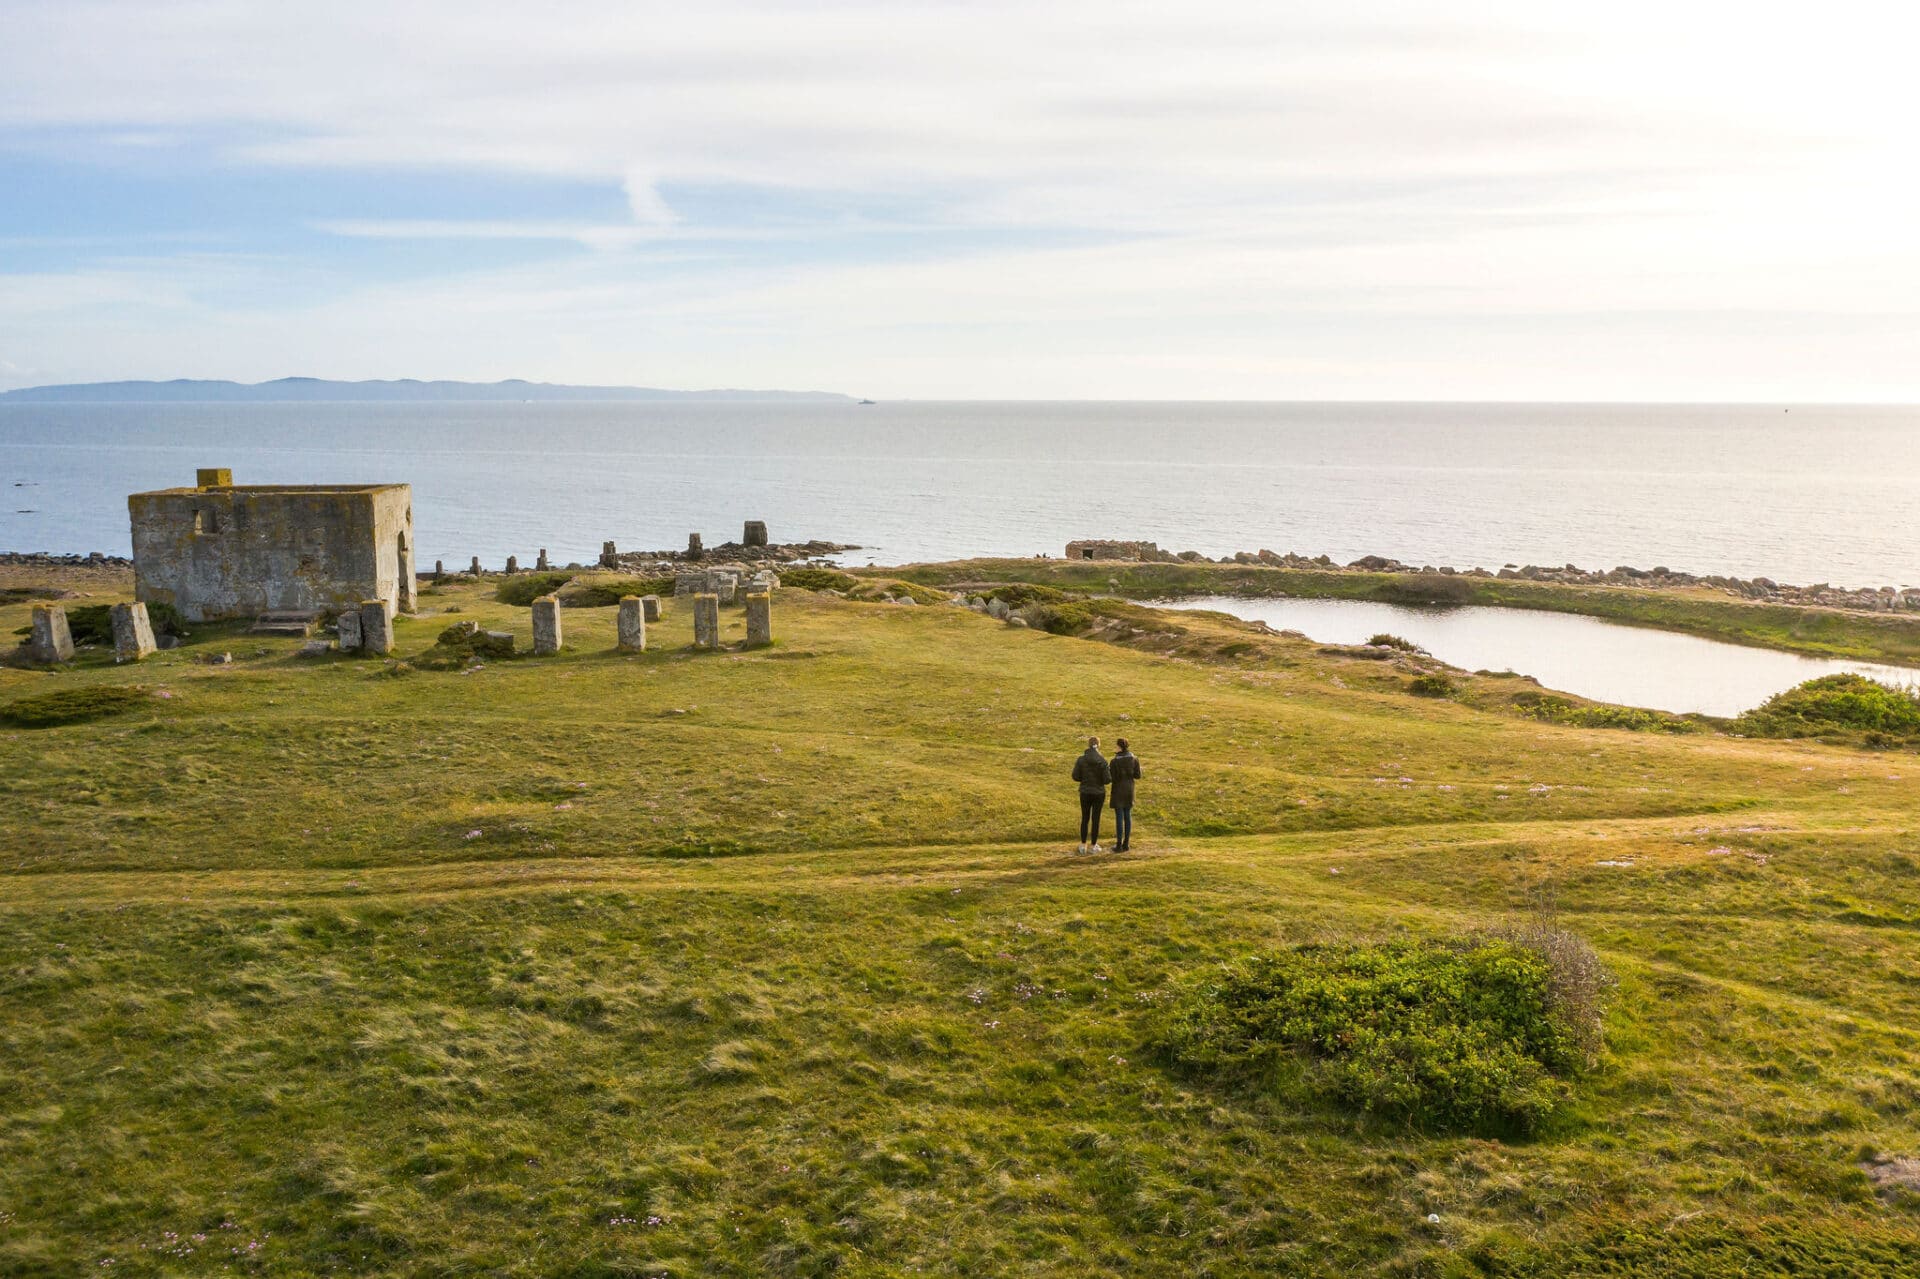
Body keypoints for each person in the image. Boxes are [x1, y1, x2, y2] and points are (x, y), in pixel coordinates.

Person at [1071, 736, 1110, 853]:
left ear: (1088, 745)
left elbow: (1075, 776)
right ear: (1098, 745)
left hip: (1085, 792)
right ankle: (1093, 845)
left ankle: (1083, 844)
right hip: (1099, 792)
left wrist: (1084, 779)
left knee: (1085, 818)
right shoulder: (1102, 760)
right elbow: (1107, 779)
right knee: (1096, 819)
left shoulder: (1081, 760)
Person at [1109, 738, 1141, 851]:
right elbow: (1138, 776)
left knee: (1119, 817)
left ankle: (1118, 844)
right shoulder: (1134, 759)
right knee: (1128, 816)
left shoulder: (1114, 761)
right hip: (1129, 790)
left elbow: (1111, 778)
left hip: (1118, 790)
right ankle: (1126, 844)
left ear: (1119, 747)